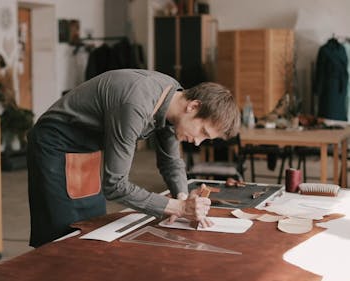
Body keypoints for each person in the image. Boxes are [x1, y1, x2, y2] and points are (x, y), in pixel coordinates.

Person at [27, 69, 241, 247]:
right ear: (193, 106)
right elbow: (115, 186)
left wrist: (183, 198)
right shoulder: (135, 104)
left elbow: (171, 161)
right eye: (202, 132)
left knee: (91, 228)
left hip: (87, 147)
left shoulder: (173, 99)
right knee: (61, 235)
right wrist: (177, 208)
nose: (197, 142)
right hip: (54, 145)